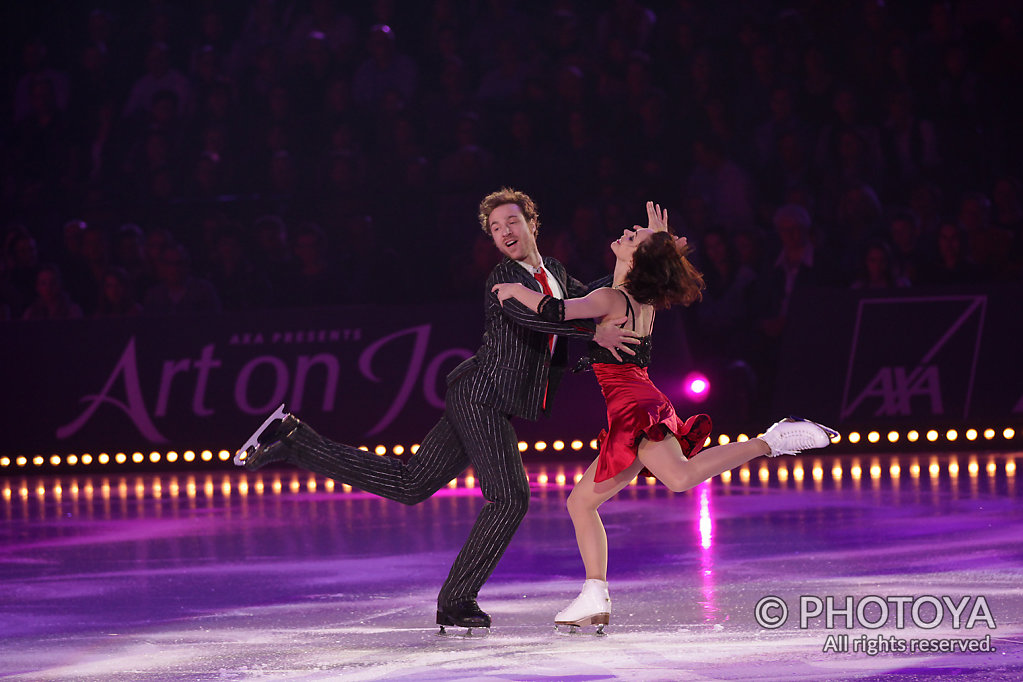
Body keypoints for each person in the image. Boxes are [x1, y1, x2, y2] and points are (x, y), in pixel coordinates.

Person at [234, 187, 640, 632]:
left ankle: (294, 440)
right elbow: (542, 318)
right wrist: (593, 333)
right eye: (495, 228)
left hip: (488, 399)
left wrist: (627, 271)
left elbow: (587, 308)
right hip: (480, 396)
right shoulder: (504, 279)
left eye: (512, 222)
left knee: (410, 484)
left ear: (532, 223)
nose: (504, 232)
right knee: (510, 497)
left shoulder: (555, 272)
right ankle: (457, 600)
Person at [492, 203, 837, 632]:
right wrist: (660, 244)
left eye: (633, 236)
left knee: (671, 480)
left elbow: (555, 311)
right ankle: (593, 594)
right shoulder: (639, 297)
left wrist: (515, 291)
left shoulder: (612, 298)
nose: (625, 232)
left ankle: (773, 441)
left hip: (636, 409)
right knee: (588, 501)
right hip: (638, 405)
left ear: (636, 259)